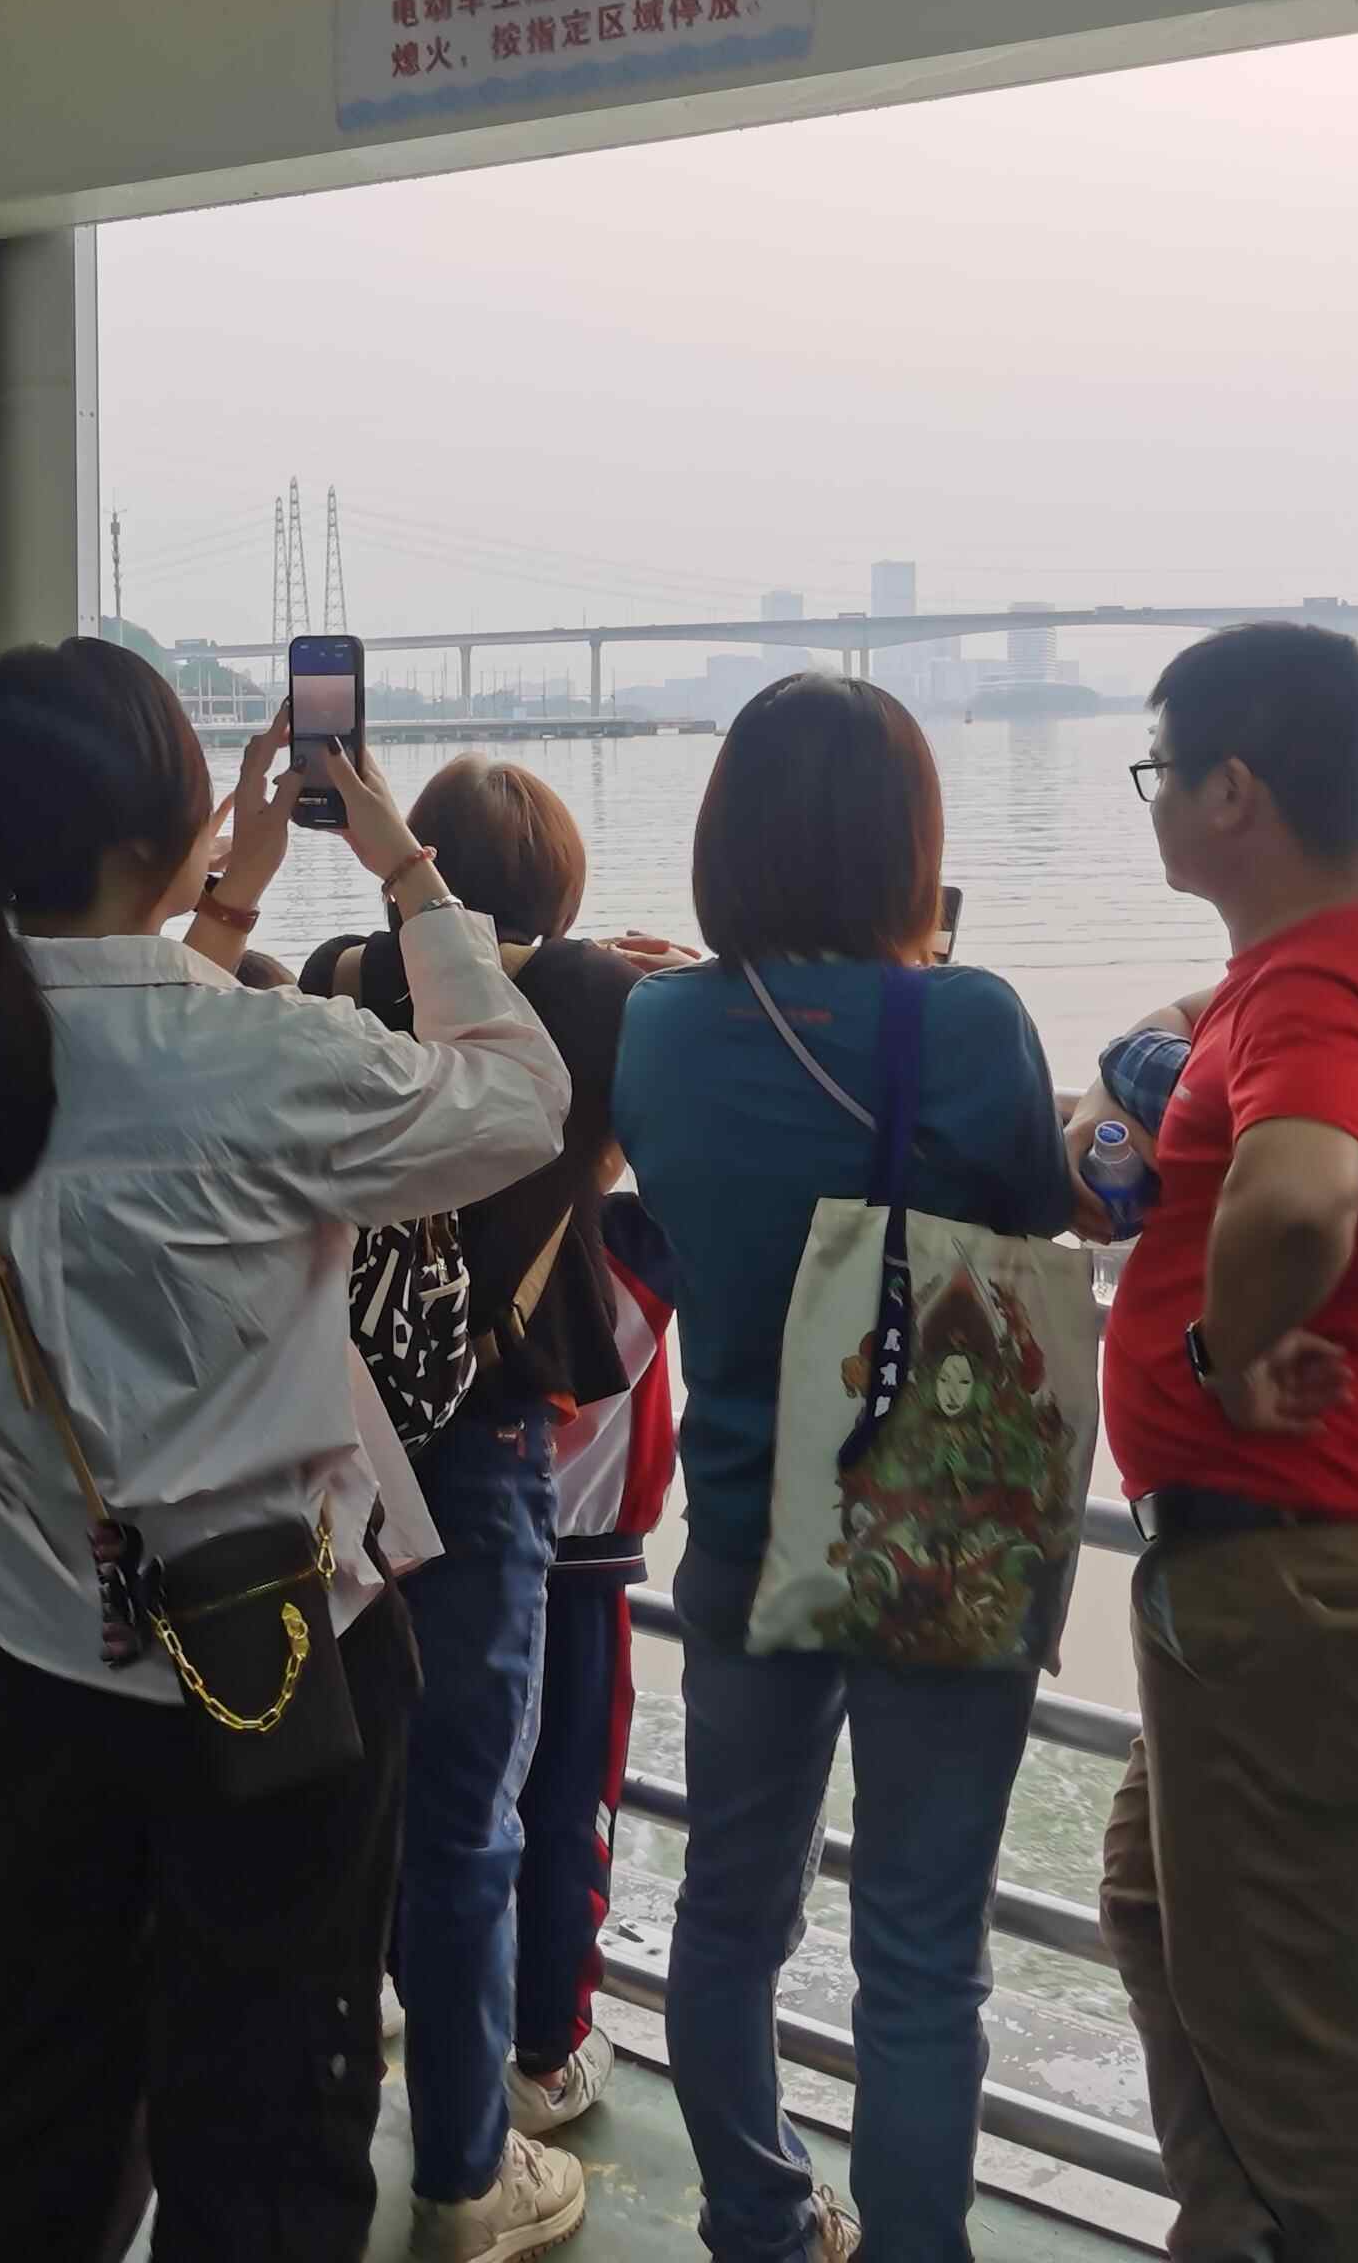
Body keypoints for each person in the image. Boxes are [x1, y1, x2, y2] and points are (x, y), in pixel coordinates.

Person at [0, 642, 569, 2262]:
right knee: (265, 2104)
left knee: (42, 2068)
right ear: (162, 831)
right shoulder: (267, 1057)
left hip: (43, 1649)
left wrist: (221, 903)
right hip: (271, 1664)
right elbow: (519, 1099)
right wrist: (406, 869)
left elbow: (110, 1046)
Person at [613, 674, 1073, 2263]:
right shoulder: (970, 1020)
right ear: (906, 847)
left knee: (732, 1913)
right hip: (941, 1523)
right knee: (923, 1955)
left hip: (747, 1530)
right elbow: (1035, 1211)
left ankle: (758, 2215)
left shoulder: (657, 1026)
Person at [1078, 622, 1358, 2263]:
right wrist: (1141, 1071)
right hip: (1293, 1567)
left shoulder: (1317, 985)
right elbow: (1246, 1043)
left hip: (1287, 1574)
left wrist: (1220, 1352)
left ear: (1232, 792)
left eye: (1161, 772)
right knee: (1147, 1901)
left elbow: (1306, 1190)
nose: (1155, 803)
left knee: (1299, 2064)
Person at [301, 757, 662, 2257]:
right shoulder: (595, 1000)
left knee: (328, 1782)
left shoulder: (332, 976)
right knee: (467, 1816)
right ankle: (462, 2174)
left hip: (332, 1432)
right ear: (559, 888)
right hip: (488, 1444)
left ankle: (326, 2128)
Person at [510, 1190, 683, 2140]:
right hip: (578, 1561)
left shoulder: (464, 1194)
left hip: (442, 1538)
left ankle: (414, 1999)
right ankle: (544, 2051)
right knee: (567, 1814)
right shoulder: (633, 1240)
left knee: (451, 1800)